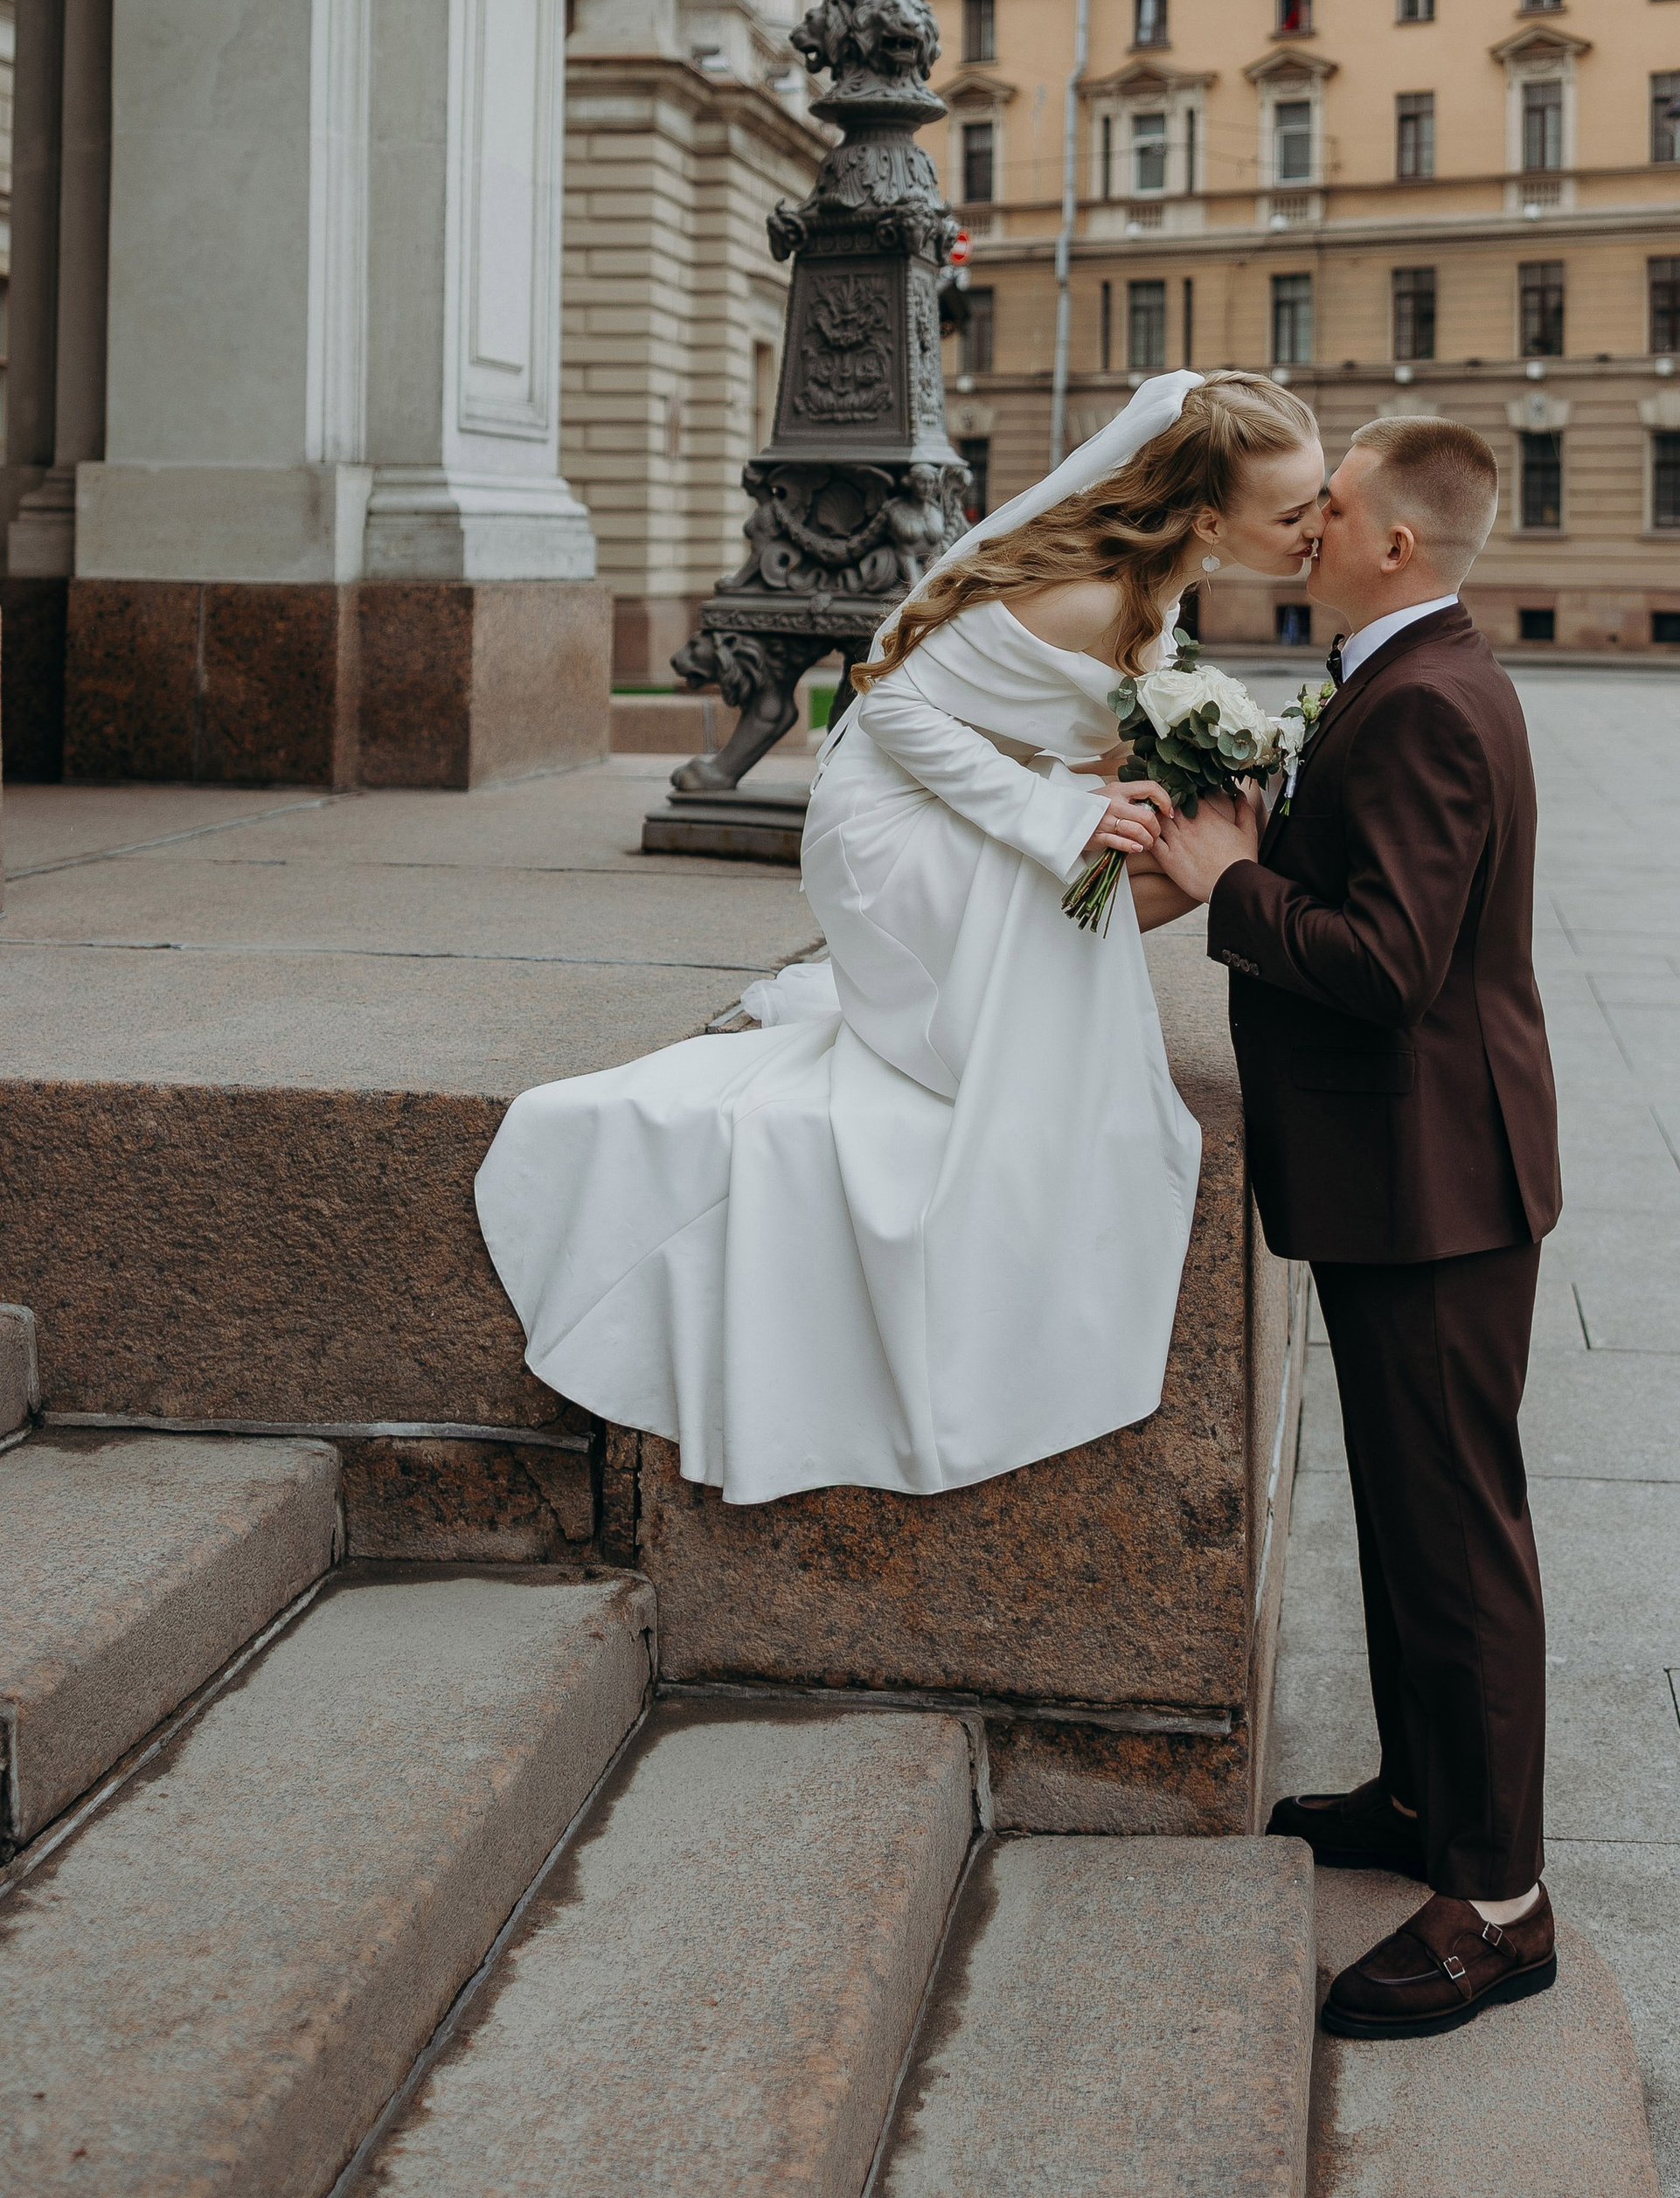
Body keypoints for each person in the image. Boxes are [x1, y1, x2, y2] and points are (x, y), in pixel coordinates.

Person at [475, 371, 1325, 1506]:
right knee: (1116, 941)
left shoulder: (1158, 587)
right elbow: (889, 713)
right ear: (1210, 521)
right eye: (1294, 513)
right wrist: (1065, 816)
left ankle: (1031, 958)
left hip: (972, 803)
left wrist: (1192, 770)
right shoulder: (1082, 594)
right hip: (885, 834)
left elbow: (1071, 728)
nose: (1316, 529)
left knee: (1206, 845)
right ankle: (966, 988)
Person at [1150, 414, 1561, 2042]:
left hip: (1439, 1189)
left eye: (1333, 507)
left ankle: (1503, 1906)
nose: (1306, 522)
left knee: (1460, 1541)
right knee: (1410, 1524)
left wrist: (1234, 878)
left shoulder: (1431, 705)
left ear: (1399, 542)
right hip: (1412, 1179)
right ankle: (1423, 1805)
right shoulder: (1403, 680)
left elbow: (1389, 965)